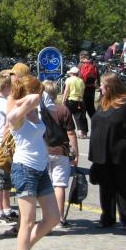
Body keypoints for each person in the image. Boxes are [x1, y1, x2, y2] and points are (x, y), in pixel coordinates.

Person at [7, 75, 60, 250]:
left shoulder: (33, 110)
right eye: (38, 93)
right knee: (27, 221)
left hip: (40, 169)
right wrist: (27, 100)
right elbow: (12, 118)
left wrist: (30, 101)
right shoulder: (17, 114)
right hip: (25, 169)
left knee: (53, 218)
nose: (41, 97)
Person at [88, 73, 126, 231]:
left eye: (102, 85)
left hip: (121, 153)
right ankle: (107, 216)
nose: (99, 87)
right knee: (105, 186)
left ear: (110, 86)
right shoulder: (103, 102)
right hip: (102, 153)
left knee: (123, 186)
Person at [42, 81, 79, 228]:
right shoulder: (64, 110)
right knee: (59, 185)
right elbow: (71, 133)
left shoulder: (40, 110)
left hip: (43, 151)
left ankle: (47, 218)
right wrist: (75, 153)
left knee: (45, 186)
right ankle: (60, 218)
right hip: (61, 151)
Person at [0, 71, 18, 226]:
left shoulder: (3, 99)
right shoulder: (1, 101)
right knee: (0, 181)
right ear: (6, 86)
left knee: (6, 181)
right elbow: (12, 112)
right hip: (1, 146)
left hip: (6, 145)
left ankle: (7, 210)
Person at [62, 66, 88, 139]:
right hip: (79, 100)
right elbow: (83, 91)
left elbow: (66, 90)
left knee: (68, 116)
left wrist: (63, 100)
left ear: (72, 73)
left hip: (70, 99)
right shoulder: (81, 80)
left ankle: (68, 132)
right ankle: (80, 132)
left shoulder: (68, 80)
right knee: (78, 116)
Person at [78, 51, 100, 120]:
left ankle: (83, 128)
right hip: (92, 87)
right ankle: (96, 122)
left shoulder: (80, 65)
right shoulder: (94, 64)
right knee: (91, 107)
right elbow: (98, 76)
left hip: (83, 88)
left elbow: (78, 77)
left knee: (83, 107)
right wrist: (99, 86)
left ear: (81, 57)